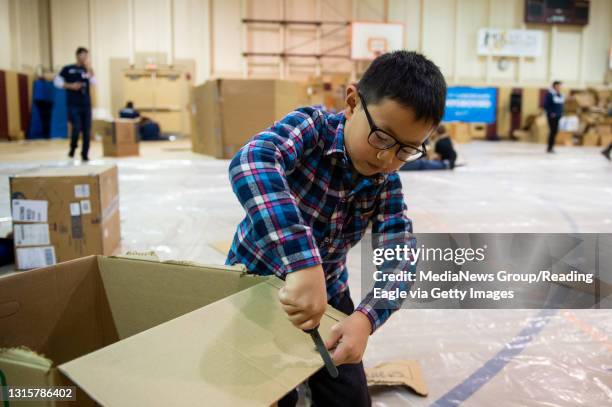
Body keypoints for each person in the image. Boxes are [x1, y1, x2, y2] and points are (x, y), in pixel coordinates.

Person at [225, 51, 446, 406]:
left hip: (327, 292)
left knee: (350, 399)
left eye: (406, 150)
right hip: (254, 286)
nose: (387, 159)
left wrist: (365, 319)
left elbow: (402, 258)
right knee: (265, 393)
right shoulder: (311, 128)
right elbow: (252, 161)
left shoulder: (384, 181)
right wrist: (302, 262)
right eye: (382, 137)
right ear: (353, 102)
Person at [54, 47, 96, 161]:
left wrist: (90, 71)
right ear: (77, 55)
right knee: (76, 127)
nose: (85, 58)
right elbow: (57, 82)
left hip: (86, 105)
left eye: (87, 56)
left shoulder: (87, 70)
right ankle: (73, 148)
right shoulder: (68, 69)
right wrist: (70, 86)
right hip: (73, 104)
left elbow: (94, 83)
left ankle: (85, 154)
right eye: (83, 55)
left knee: (87, 130)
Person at [544, 80, 564, 153]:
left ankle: (551, 146)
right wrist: (551, 112)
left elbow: (561, 105)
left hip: (558, 116)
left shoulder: (560, 94)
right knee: (553, 131)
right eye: (558, 86)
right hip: (552, 116)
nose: (559, 87)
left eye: (560, 86)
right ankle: (550, 147)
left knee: (555, 131)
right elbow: (546, 105)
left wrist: (561, 113)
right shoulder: (550, 94)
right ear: (555, 86)